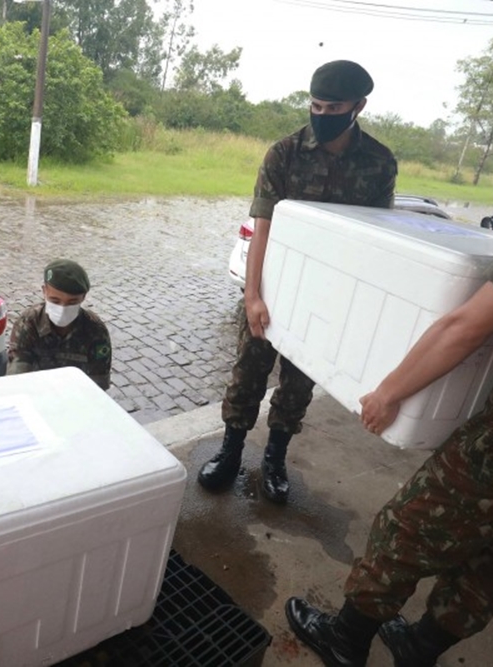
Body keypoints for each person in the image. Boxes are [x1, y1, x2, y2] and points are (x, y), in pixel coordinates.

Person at [285, 36, 493, 667]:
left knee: (407, 529)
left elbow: (468, 325)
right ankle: (422, 645)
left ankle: (345, 638)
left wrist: (389, 391)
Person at [198, 60, 397, 504]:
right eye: (316, 105)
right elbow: (261, 227)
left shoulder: (379, 162)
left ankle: (274, 458)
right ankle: (230, 451)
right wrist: (252, 296)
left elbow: (375, 237)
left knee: (299, 382)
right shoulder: (284, 153)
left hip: (325, 297)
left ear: (358, 106)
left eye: (334, 107)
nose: (322, 114)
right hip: (274, 286)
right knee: (248, 372)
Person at [8, 259, 112, 390]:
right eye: (55, 301)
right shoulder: (29, 323)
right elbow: (18, 374)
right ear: (44, 291)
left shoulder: (95, 331)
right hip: (35, 393)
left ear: (84, 297)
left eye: (72, 302)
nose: (63, 308)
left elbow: (98, 384)